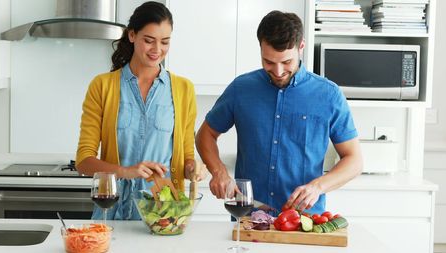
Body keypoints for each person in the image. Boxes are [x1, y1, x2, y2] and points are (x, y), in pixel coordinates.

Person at [195, 11, 363, 215]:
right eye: (268, 62)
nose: (278, 71)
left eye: (286, 62)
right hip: (249, 218)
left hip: (303, 220)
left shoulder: (329, 95)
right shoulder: (241, 89)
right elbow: (205, 134)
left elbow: (354, 160)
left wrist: (318, 186)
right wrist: (219, 172)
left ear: (301, 46)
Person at [76, 1, 206, 220]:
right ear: (132, 35)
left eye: (165, 42)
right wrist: (126, 171)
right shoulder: (102, 86)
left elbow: (186, 159)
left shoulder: (184, 89)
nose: (157, 50)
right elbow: (83, 161)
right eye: (149, 40)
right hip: (112, 212)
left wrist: (193, 168)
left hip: (164, 216)